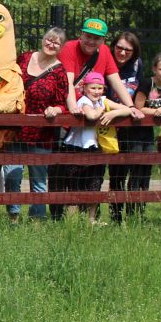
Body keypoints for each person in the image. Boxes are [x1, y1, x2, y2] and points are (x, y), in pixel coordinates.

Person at [2, 27, 68, 221]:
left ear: (61, 46)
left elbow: (62, 102)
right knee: (12, 175)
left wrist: (55, 110)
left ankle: (37, 220)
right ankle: (13, 216)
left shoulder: (60, 72)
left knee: (39, 179)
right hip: (16, 130)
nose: (51, 44)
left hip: (42, 133)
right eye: (49, 39)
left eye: (56, 42)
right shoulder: (24, 59)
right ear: (43, 39)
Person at [48, 71, 130, 221]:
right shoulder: (83, 101)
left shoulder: (103, 100)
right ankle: (72, 222)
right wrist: (102, 110)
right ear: (84, 88)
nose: (97, 92)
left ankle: (90, 221)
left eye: (100, 88)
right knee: (74, 187)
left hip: (95, 148)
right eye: (93, 88)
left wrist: (112, 114)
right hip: (76, 148)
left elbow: (127, 109)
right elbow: (91, 116)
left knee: (94, 185)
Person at [120, 52, 161, 223]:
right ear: (154, 69)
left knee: (146, 171)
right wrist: (157, 112)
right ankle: (130, 213)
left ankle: (141, 212)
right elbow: (138, 108)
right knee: (136, 171)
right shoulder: (147, 83)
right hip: (136, 131)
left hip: (149, 133)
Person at [105, 31, 144, 221]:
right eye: (119, 48)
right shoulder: (104, 61)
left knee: (128, 171)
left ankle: (129, 216)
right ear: (113, 46)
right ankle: (111, 216)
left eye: (127, 50)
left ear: (134, 52)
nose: (122, 52)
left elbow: (141, 93)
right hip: (105, 123)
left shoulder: (137, 66)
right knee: (109, 174)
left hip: (128, 125)